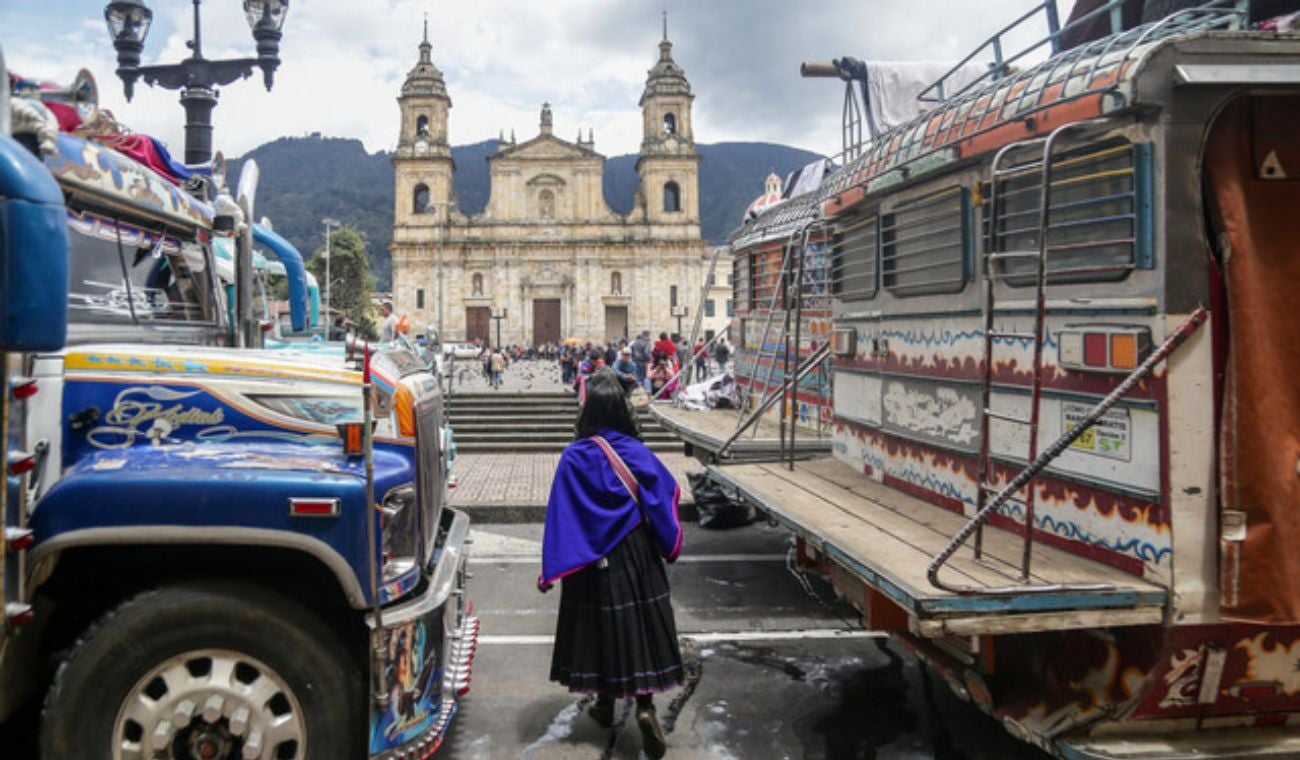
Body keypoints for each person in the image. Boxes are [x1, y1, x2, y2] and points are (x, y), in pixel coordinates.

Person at [539, 370, 683, 759]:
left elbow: (562, 513)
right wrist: (668, 543)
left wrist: (555, 563)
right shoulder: (635, 451)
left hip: (592, 556)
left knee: (600, 626)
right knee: (639, 629)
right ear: (621, 410)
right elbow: (665, 491)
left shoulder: (574, 455)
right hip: (635, 550)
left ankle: (604, 701)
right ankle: (645, 705)